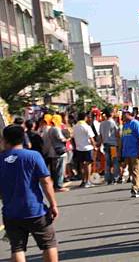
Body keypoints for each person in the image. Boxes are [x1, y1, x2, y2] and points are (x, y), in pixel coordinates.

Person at [0, 125, 59, 262]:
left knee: (17, 248)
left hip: (11, 212)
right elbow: (46, 181)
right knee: (48, 244)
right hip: (35, 210)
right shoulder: (33, 156)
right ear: (22, 138)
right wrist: (53, 204)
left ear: (5, 140)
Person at [121, 109, 139, 198]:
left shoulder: (135, 123)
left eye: (124, 113)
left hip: (135, 152)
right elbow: (123, 140)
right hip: (127, 153)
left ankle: (135, 189)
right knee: (132, 172)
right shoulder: (125, 125)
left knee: (136, 171)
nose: (122, 115)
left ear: (129, 113)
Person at [73, 112, 96, 188]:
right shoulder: (86, 126)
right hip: (87, 147)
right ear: (85, 117)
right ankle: (88, 181)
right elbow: (91, 138)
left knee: (82, 165)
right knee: (88, 164)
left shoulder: (75, 126)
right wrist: (95, 146)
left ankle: (83, 181)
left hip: (79, 148)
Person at [48, 115, 70, 192]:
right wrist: (68, 138)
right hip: (59, 151)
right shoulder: (56, 129)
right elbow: (61, 138)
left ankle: (55, 185)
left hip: (52, 151)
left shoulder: (50, 129)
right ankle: (59, 186)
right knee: (60, 169)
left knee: (54, 170)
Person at [99, 108, 120, 185]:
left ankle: (108, 178)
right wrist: (119, 144)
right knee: (114, 161)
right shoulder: (112, 123)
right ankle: (115, 177)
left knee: (107, 162)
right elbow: (117, 134)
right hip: (113, 145)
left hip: (105, 144)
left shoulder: (102, 124)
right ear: (111, 113)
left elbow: (100, 136)